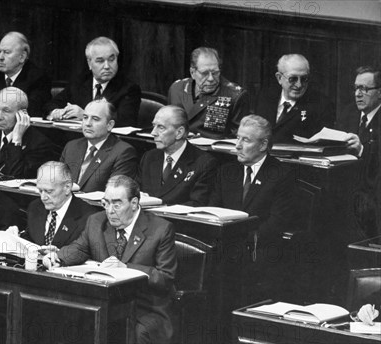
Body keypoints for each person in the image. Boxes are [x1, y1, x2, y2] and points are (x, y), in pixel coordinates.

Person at [43, 175, 177, 344]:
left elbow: (165, 277)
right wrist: (58, 257)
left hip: (144, 307)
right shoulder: (96, 221)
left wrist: (127, 268)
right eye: (106, 203)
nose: (110, 210)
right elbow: (80, 248)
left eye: (117, 204)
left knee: (133, 333)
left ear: (134, 203)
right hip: (104, 303)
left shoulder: (160, 229)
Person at [209, 115, 297, 303]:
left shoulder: (281, 174)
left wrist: (241, 240)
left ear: (263, 145)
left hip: (260, 248)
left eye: (246, 140)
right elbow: (213, 210)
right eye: (238, 138)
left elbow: (278, 221)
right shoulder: (227, 171)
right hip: (225, 247)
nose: (238, 146)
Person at [45, 36, 141, 127]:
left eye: (111, 60)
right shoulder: (80, 82)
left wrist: (85, 115)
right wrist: (57, 112)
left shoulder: (129, 88)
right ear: (89, 63)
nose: (107, 66)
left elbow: (126, 121)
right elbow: (51, 104)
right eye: (100, 61)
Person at [138, 105, 217, 206]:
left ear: (179, 132)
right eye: (154, 126)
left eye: (161, 127)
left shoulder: (204, 163)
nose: (153, 133)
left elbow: (197, 204)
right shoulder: (149, 157)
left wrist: (162, 206)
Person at [336, 66, 381, 238]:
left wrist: (362, 150)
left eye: (365, 89)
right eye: (356, 88)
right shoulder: (348, 113)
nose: (358, 94)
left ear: (379, 92)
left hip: (373, 194)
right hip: (347, 189)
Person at [168, 47, 250, 138]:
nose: (211, 78)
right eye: (204, 73)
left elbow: (239, 138)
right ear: (192, 72)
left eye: (215, 73)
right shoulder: (177, 89)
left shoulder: (235, 95)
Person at [0, 87, 57, 178]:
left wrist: (16, 141)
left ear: (22, 114)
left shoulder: (39, 144)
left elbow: (15, 178)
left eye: (6, 111)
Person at [60, 99, 137, 192]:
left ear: (110, 125)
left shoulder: (123, 152)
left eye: (95, 119)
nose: (88, 123)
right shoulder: (72, 146)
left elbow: (116, 193)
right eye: (85, 117)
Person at [254, 54, 335, 143]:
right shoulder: (265, 97)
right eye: (293, 79)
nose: (299, 85)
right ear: (279, 78)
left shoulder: (321, 105)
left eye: (304, 79)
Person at [25, 161, 97, 247]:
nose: (43, 197)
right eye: (40, 191)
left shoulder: (88, 218)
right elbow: (31, 239)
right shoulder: (35, 207)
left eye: (49, 191)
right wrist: (17, 235)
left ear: (67, 187)